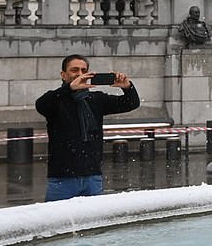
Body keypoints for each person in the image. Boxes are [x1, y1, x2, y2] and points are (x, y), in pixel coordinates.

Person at [35, 54, 140, 201]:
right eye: (74, 70)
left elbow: (131, 103)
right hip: (62, 179)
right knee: (57, 222)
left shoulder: (96, 99)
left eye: (84, 70)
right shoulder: (57, 99)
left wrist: (128, 87)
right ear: (63, 75)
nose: (80, 74)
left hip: (92, 176)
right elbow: (41, 104)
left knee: (94, 223)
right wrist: (70, 89)